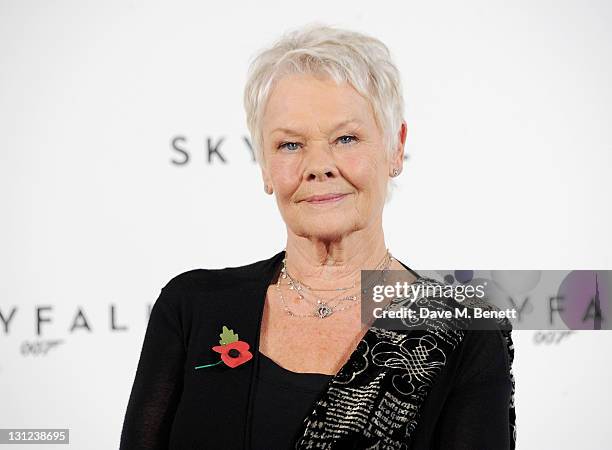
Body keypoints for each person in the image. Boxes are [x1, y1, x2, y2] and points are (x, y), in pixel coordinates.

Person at [120, 23, 516, 449]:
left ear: (395, 148)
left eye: (346, 138)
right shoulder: (191, 307)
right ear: (265, 166)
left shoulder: (463, 330)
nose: (319, 165)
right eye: (290, 145)